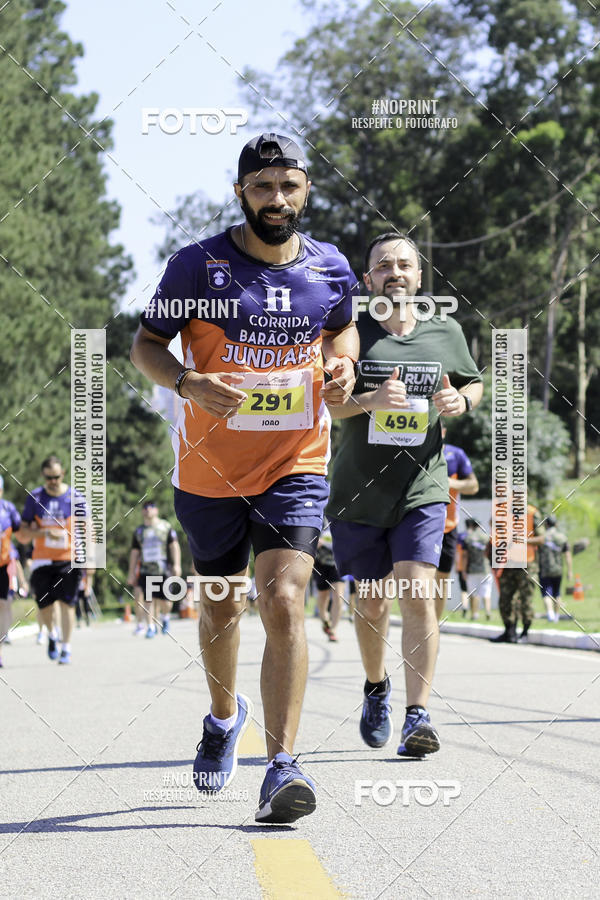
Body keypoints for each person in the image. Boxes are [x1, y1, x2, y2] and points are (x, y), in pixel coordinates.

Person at [130, 133, 358, 822]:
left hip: (296, 461)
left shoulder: (331, 267)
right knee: (224, 605)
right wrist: (187, 381)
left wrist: (342, 363)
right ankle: (224, 717)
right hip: (208, 470)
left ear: (306, 190)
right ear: (241, 192)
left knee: (285, 598)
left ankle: (282, 764)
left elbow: (342, 329)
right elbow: (145, 346)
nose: (277, 200)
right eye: (263, 187)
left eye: (289, 186)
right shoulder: (197, 267)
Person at [327, 232, 483, 757]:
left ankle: (419, 715)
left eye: (405, 265)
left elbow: (473, 382)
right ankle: (377, 687)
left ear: (419, 277)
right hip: (358, 491)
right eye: (383, 265)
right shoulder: (352, 333)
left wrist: (460, 399)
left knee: (417, 589)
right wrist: (371, 399)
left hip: (423, 484)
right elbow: (331, 406)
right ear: (368, 279)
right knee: (371, 604)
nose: (395, 272)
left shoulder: (446, 331)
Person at [16, 456, 93, 665]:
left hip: (70, 558)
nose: (53, 481)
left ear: (63, 474)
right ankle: (51, 634)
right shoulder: (35, 498)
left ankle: (66, 647)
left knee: (67, 604)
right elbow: (22, 532)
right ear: (44, 476)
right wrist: (44, 534)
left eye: (57, 477)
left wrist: (91, 558)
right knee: (45, 606)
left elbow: (89, 528)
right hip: (42, 560)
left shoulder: (75, 496)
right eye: (49, 477)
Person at [435, 427, 479, 619]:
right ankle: (420, 622)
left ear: (444, 430)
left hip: (448, 527)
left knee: (442, 580)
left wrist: (450, 483)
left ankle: (433, 626)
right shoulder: (414, 451)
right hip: (419, 526)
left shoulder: (456, 455)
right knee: (419, 579)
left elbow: (473, 486)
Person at [490, 500, 544, 643]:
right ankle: (509, 631)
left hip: (527, 563)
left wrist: (522, 540)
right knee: (506, 599)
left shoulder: (532, 512)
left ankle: (525, 632)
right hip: (508, 562)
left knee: (526, 599)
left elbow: (541, 539)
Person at [127, 500, 181, 637]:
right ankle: (150, 627)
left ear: (156, 510)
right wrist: (132, 572)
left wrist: (177, 564)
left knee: (166, 602)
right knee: (148, 599)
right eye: (145, 508)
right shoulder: (139, 531)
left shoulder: (165, 527)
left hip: (163, 569)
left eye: (151, 507)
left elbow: (174, 546)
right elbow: (134, 552)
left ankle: (166, 617)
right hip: (146, 570)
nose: (147, 510)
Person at [0, 476, 22, 667]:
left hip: (3, 564)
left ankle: (4, 636)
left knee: (4, 604)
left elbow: (21, 532)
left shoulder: (8, 508)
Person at [314, 521, 345, 641]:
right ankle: (325, 620)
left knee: (339, 596)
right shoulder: (321, 510)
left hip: (338, 561)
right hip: (320, 561)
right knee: (323, 596)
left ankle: (333, 629)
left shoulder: (343, 511)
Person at [538, 514, 572, 622]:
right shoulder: (562, 537)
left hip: (544, 570)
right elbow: (567, 555)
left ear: (546, 524)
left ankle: (550, 615)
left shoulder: (542, 537)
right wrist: (570, 571)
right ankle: (556, 616)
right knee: (557, 593)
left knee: (546, 593)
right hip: (558, 569)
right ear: (556, 524)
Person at [462, 518, 492, 620]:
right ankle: (488, 612)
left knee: (474, 593)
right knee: (486, 592)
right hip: (485, 568)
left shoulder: (468, 538)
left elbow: (465, 556)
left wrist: (463, 570)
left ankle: (475, 614)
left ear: (471, 526)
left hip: (472, 569)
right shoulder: (486, 538)